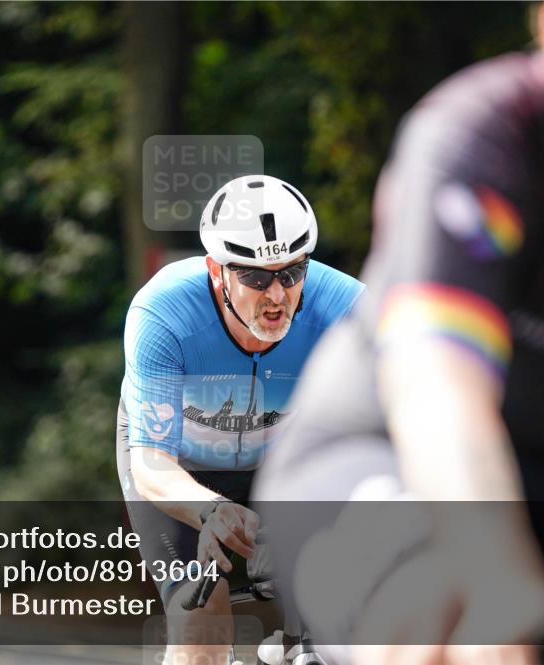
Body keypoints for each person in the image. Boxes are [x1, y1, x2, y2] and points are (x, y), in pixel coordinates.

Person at [254, 2, 544, 664]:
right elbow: (436, 389)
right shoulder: (478, 135)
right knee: (438, 611)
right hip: (389, 454)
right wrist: (494, 576)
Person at [117, 174, 364, 665]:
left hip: (288, 464)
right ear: (217, 270)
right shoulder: (164, 313)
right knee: (200, 628)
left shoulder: (348, 307)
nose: (277, 294)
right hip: (182, 471)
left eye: (292, 272)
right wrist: (210, 512)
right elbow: (151, 464)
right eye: (255, 277)